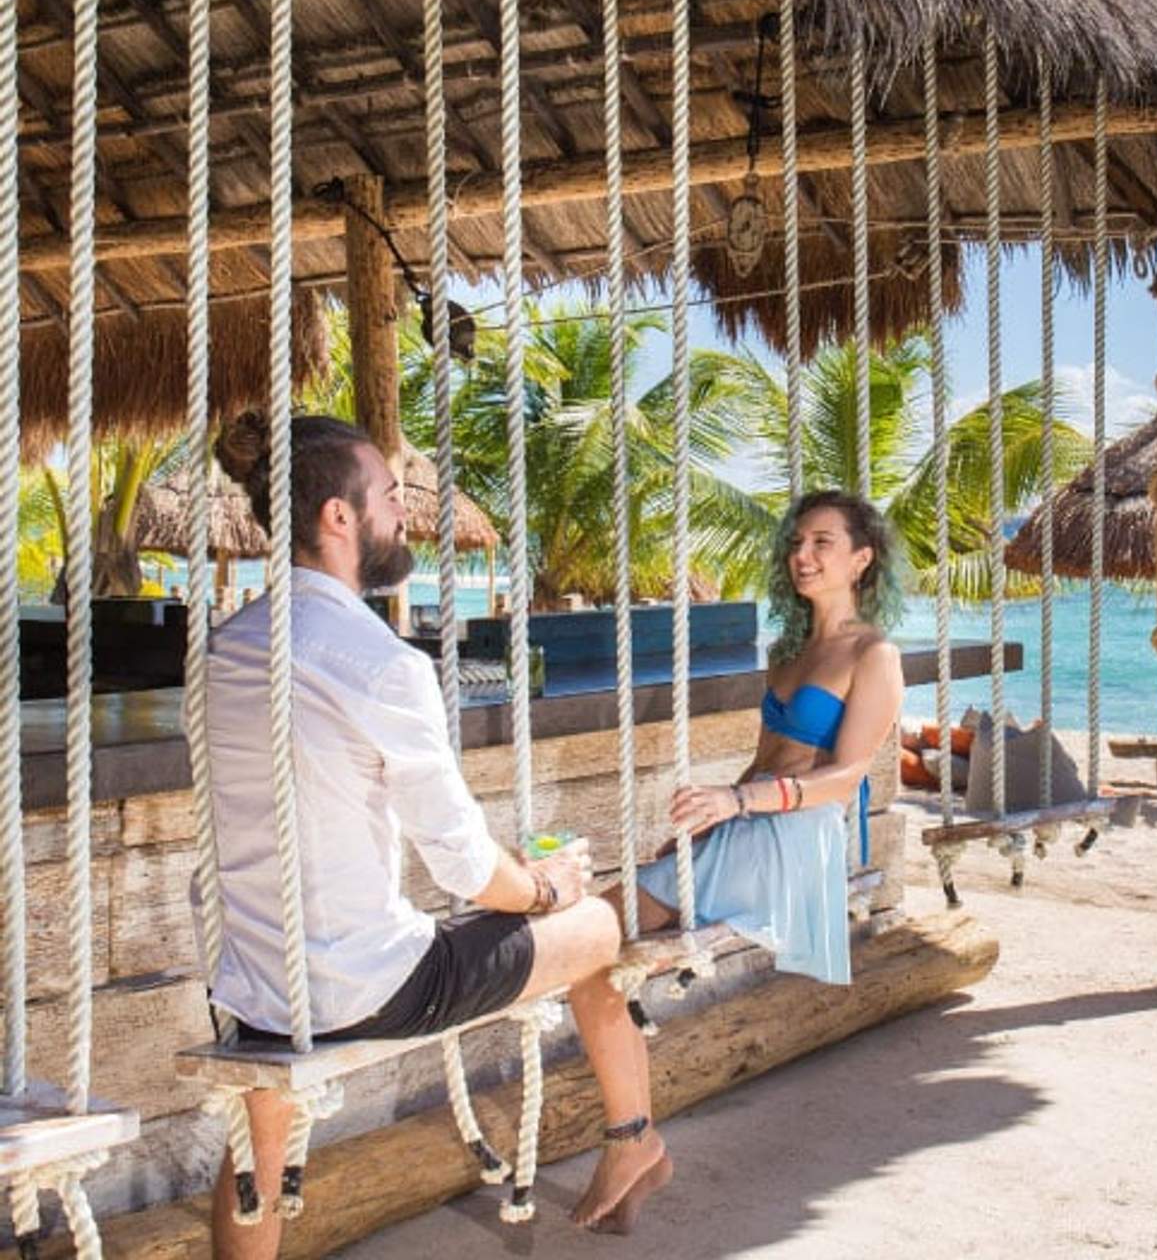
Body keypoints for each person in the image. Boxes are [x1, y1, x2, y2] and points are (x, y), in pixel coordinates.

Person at [198, 414, 657, 1254]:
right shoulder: (382, 664)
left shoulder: (227, 644)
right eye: (385, 496)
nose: (401, 514)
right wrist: (547, 889)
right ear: (339, 518)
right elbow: (466, 869)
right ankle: (636, 1139)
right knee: (597, 926)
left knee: (253, 1159)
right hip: (367, 990)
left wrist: (507, 879)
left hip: (256, 987)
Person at [602, 490, 904, 1232]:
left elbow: (844, 779)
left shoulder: (875, 653)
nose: (803, 556)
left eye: (823, 543)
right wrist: (704, 827)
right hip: (746, 828)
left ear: (861, 560)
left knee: (593, 928)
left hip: (795, 840)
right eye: (798, 542)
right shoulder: (790, 654)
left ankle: (634, 1140)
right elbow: (765, 759)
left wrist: (736, 808)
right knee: (597, 937)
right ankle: (634, 1139)